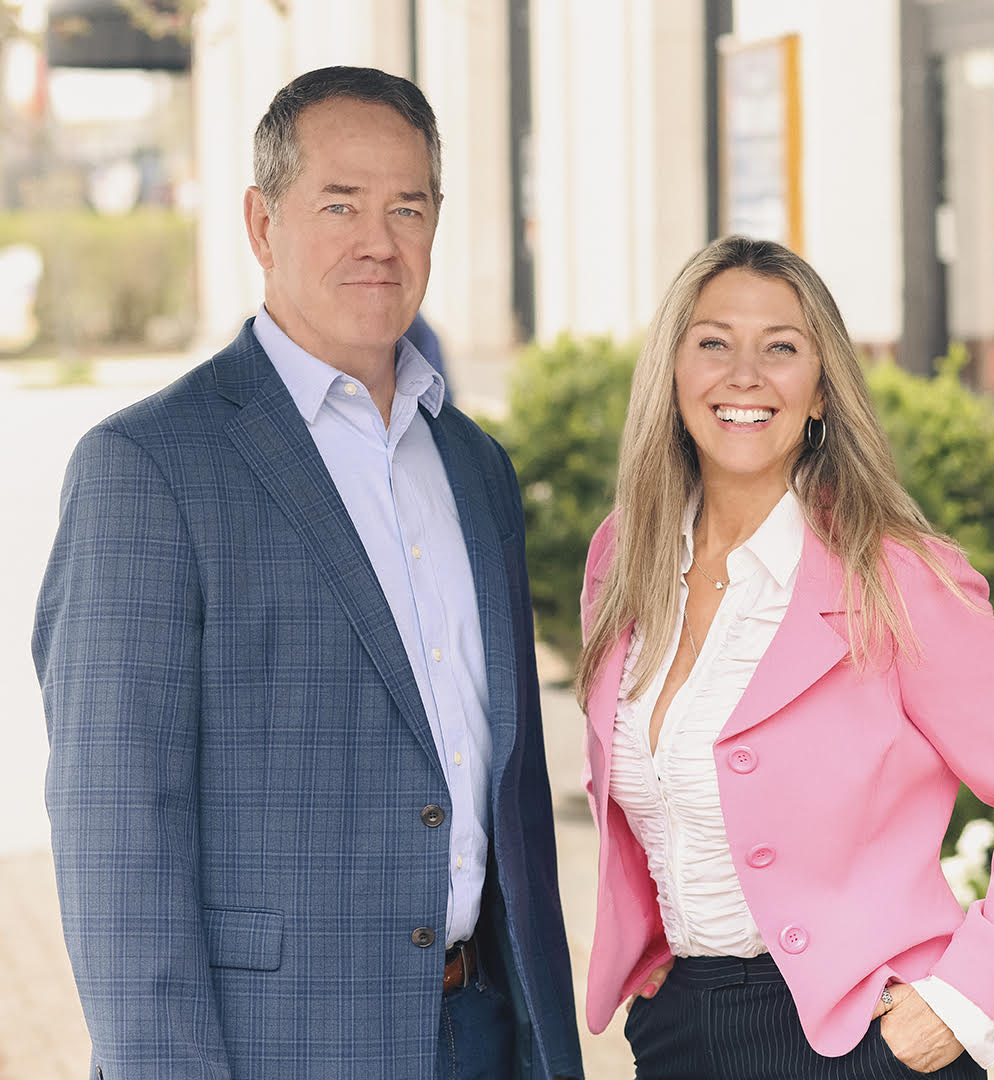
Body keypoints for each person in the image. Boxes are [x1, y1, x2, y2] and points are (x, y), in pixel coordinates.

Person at [33, 66, 583, 1080]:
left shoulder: (474, 467)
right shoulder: (151, 469)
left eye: (407, 207)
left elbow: (500, 786)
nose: (379, 239)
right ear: (261, 223)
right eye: (340, 204)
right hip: (276, 1050)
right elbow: (118, 838)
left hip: (486, 1032)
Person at [576, 235, 994, 1078]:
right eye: (713, 342)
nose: (745, 374)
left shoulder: (895, 578)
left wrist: (964, 999)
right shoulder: (622, 557)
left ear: (819, 393)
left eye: (781, 348)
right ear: (672, 375)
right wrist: (654, 946)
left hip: (864, 1042)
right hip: (678, 1036)